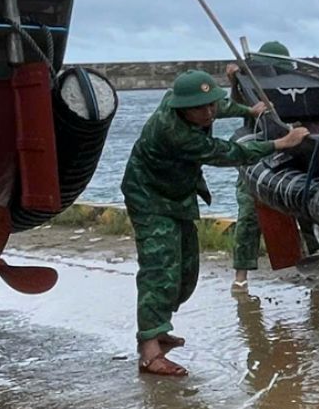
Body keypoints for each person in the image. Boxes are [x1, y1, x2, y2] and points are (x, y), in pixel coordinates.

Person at [123, 68, 309, 376]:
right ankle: (149, 351)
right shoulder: (174, 132)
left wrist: (248, 109)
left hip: (177, 194)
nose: (210, 112)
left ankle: (158, 327)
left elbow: (220, 106)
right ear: (182, 108)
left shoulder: (187, 103)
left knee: (185, 269)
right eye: (201, 107)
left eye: (211, 104)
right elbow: (227, 152)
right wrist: (282, 143)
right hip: (149, 198)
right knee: (159, 268)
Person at [226, 41, 319, 288]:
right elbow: (237, 104)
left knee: (308, 210)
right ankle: (241, 277)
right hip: (258, 157)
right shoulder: (252, 88)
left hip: (293, 155)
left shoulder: (297, 88)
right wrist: (234, 81)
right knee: (249, 215)